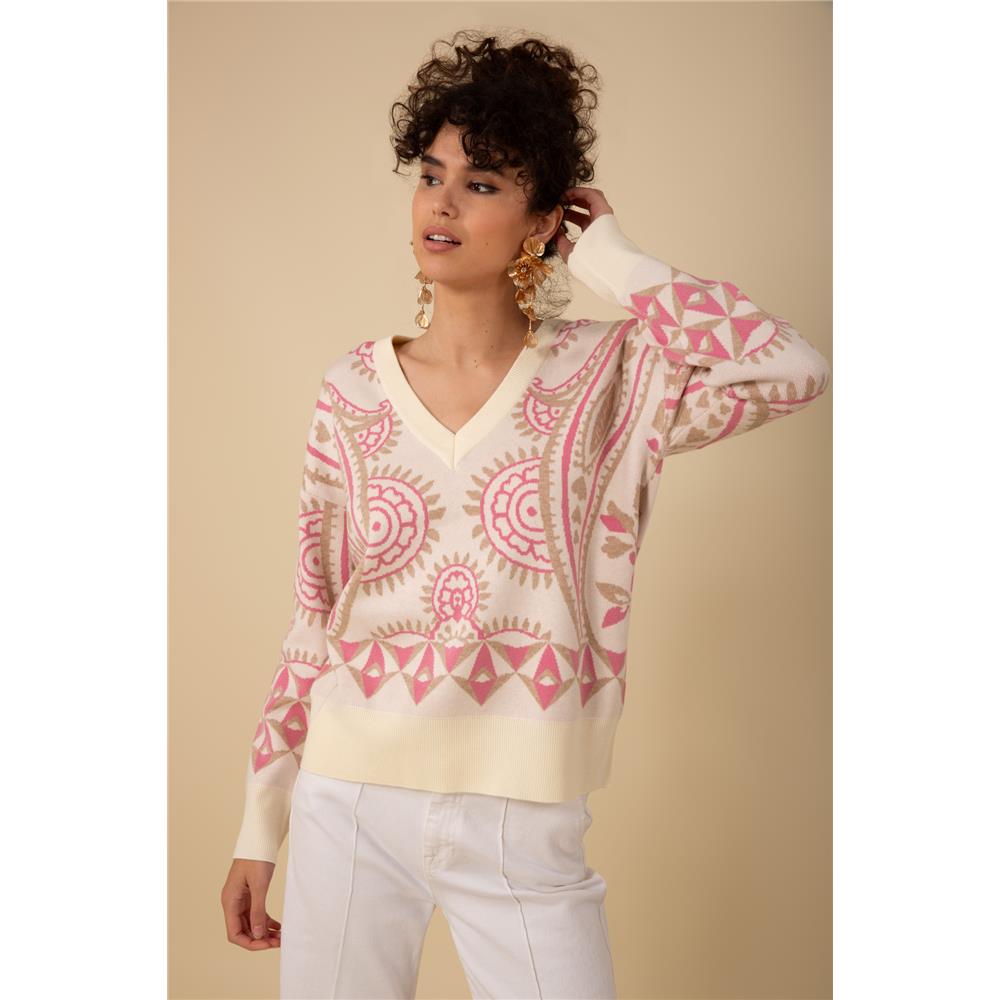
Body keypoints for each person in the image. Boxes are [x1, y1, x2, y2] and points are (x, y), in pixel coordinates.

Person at [220, 29, 830, 1000]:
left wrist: (616, 260)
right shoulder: (351, 390)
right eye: (431, 175)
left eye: (483, 183)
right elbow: (313, 612)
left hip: (523, 815)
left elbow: (790, 369)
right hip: (349, 801)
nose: (442, 202)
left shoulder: (611, 378)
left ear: (544, 220)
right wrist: (262, 826)